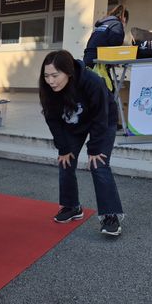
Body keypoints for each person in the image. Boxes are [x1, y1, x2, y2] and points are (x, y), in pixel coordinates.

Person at [39, 49, 124, 236]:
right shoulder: (48, 88)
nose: (50, 81)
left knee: (99, 164)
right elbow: (52, 118)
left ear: (68, 72)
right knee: (65, 160)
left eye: (55, 75)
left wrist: (95, 147)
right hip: (74, 121)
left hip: (103, 118)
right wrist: (63, 147)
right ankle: (71, 206)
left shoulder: (92, 81)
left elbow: (101, 116)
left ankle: (110, 216)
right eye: (46, 76)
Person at [83, 4, 129, 69]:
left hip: (88, 56)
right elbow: (116, 43)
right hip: (98, 60)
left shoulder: (104, 24)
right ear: (124, 18)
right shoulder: (117, 24)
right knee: (103, 79)